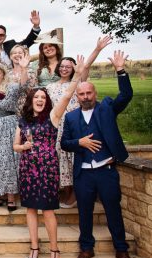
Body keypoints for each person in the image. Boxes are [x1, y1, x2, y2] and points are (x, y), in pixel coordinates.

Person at [61, 50, 135, 258]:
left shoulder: (106, 109)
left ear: (95, 93)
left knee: (113, 210)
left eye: (89, 93)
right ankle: (86, 247)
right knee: (84, 212)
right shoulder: (71, 117)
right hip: (83, 172)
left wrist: (120, 70)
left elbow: (126, 95)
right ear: (77, 97)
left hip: (106, 170)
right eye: (81, 94)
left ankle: (121, 249)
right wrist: (79, 143)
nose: (85, 97)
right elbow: (65, 143)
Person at [14, 57, 84, 258]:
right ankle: (34, 247)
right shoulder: (23, 120)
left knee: (48, 210)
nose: (40, 99)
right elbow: (15, 146)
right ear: (31, 100)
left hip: (47, 169)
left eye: (43, 97)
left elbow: (67, 95)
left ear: (46, 101)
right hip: (27, 168)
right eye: (36, 96)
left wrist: (78, 75)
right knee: (30, 209)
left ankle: (54, 248)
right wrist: (23, 147)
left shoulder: (53, 117)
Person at [47, 36, 112, 208]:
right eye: (62, 66)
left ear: (75, 68)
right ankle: (67, 192)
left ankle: (77, 193)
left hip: (76, 123)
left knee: (75, 157)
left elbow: (87, 66)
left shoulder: (79, 85)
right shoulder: (50, 87)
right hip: (57, 126)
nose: (65, 69)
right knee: (61, 159)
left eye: (69, 66)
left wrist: (97, 49)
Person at [0, 55, 32, 210]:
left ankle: (11, 198)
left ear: (3, 75)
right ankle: (0, 195)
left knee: (8, 162)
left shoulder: (12, 87)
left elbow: (24, 86)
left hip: (7, 128)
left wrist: (23, 68)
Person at [0, 11, 41, 92]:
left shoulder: (12, 46)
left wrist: (36, 26)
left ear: (5, 37)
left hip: (15, 87)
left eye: (1, 35)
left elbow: (28, 42)